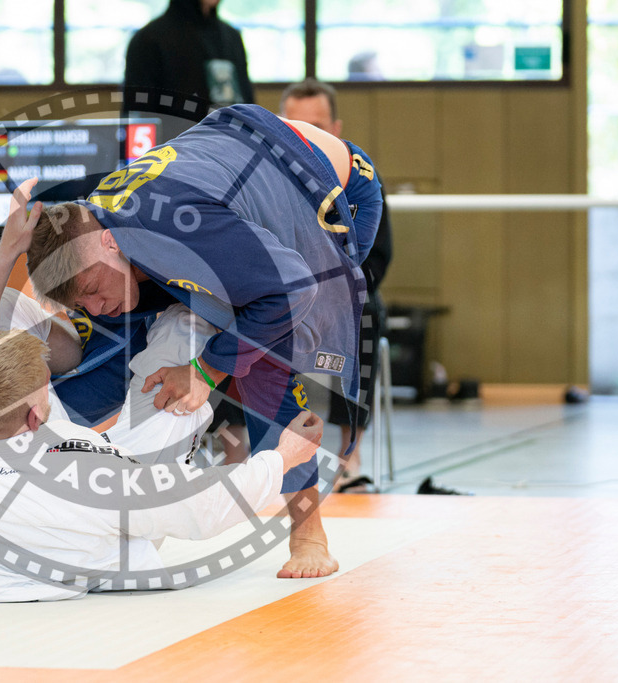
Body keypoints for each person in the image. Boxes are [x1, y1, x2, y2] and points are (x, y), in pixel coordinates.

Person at [0, 179, 324, 603]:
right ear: (35, 419)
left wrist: (8, 251)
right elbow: (193, 507)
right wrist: (281, 459)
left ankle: (79, 328)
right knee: (180, 356)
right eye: (46, 382)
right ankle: (186, 322)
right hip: (76, 539)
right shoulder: (81, 476)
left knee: (4, 317)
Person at [26, 103, 384, 579]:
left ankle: (308, 532)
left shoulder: (175, 220)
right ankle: (30, 466)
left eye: (91, 291)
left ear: (110, 243)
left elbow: (290, 290)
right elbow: (102, 318)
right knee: (115, 337)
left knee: (265, 356)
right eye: (80, 303)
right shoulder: (98, 227)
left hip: (330, 185)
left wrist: (205, 370)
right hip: (239, 178)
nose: (94, 305)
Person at [281, 77, 393, 493]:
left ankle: (352, 453)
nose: (310, 135)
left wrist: (332, 291)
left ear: (337, 128)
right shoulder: (259, 180)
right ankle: (241, 451)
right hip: (277, 293)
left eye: (319, 125)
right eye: (298, 125)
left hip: (339, 295)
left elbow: (379, 256)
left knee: (364, 311)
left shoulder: (360, 177)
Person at [123, 0, 253, 140]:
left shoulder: (231, 37)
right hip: (176, 154)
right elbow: (139, 118)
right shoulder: (149, 40)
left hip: (234, 150)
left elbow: (248, 108)